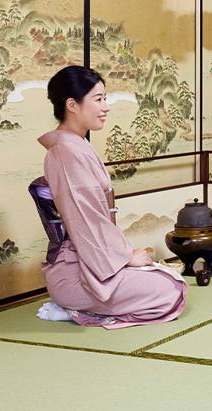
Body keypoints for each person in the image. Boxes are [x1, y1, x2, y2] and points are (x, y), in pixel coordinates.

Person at [37, 65, 186, 328]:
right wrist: (126, 258)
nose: (106, 107)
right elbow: (86, 223)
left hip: (93, 260)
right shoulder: (66, 152)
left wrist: (125, 255)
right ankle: (76, 310)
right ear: (72, 105)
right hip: (77, 273)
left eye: (105, 98)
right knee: (170, 291)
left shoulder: (77, 144)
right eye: (98, 99)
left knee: (168, 278)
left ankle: (81, 306)